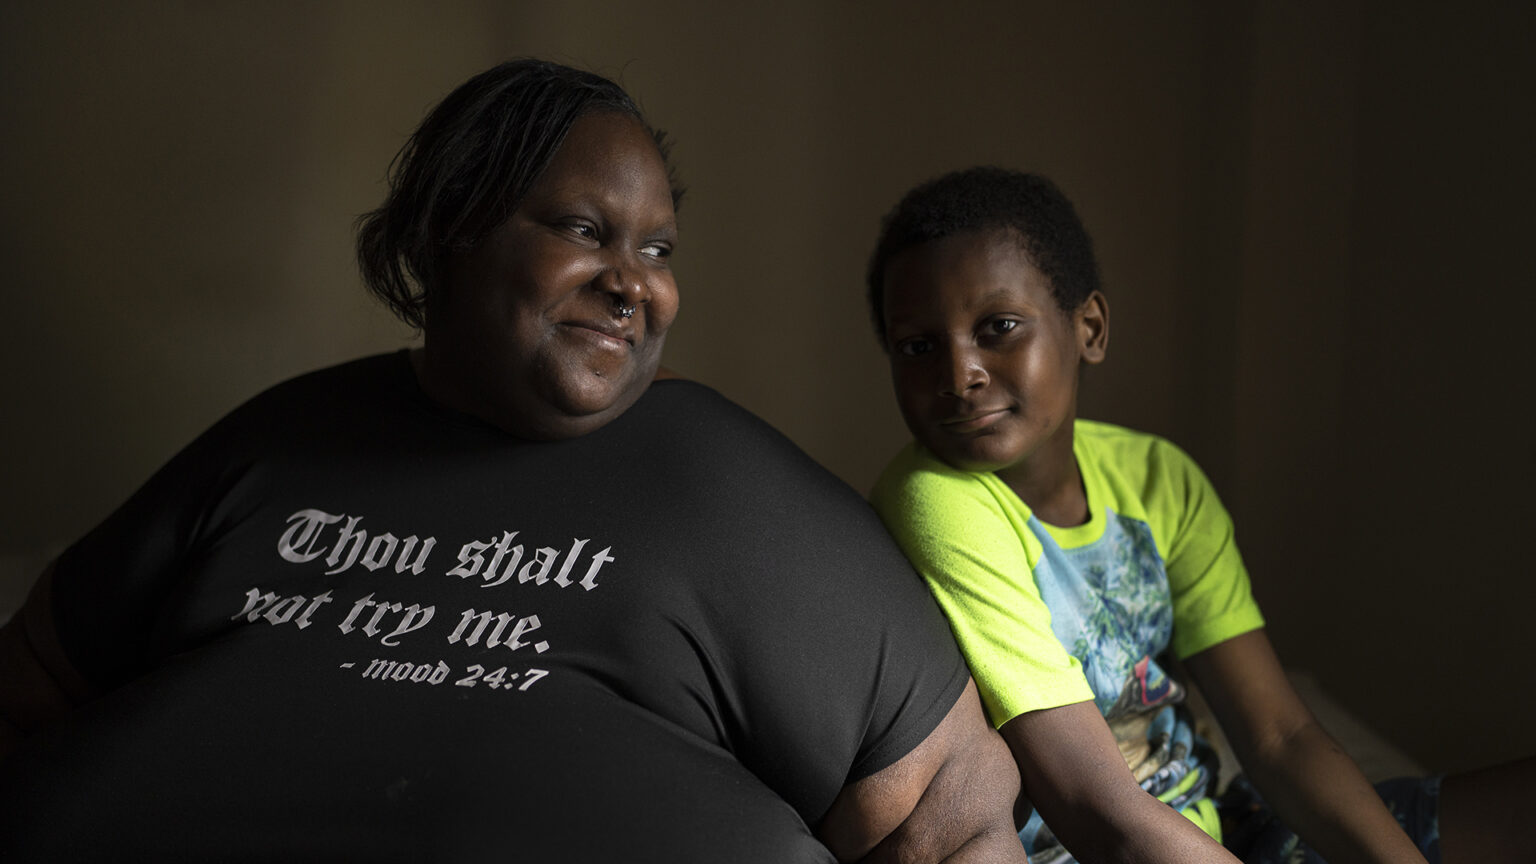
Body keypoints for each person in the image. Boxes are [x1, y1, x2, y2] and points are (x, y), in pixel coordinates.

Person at [0, 61, 1026, 863]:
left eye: (659, 251)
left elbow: (955, 824)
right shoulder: (284, 439)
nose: (635, 285)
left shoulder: (733, 492)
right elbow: (35, 675)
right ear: (455, 229)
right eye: (586, 231)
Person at [863, 166, 1532, 863]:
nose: (958, 372)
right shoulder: (936, 503)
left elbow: (1280, 739)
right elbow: (1100, 812)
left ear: (1088, 327)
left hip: (1223, 831)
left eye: (998, 327)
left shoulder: (1159, 482)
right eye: (917, 346)